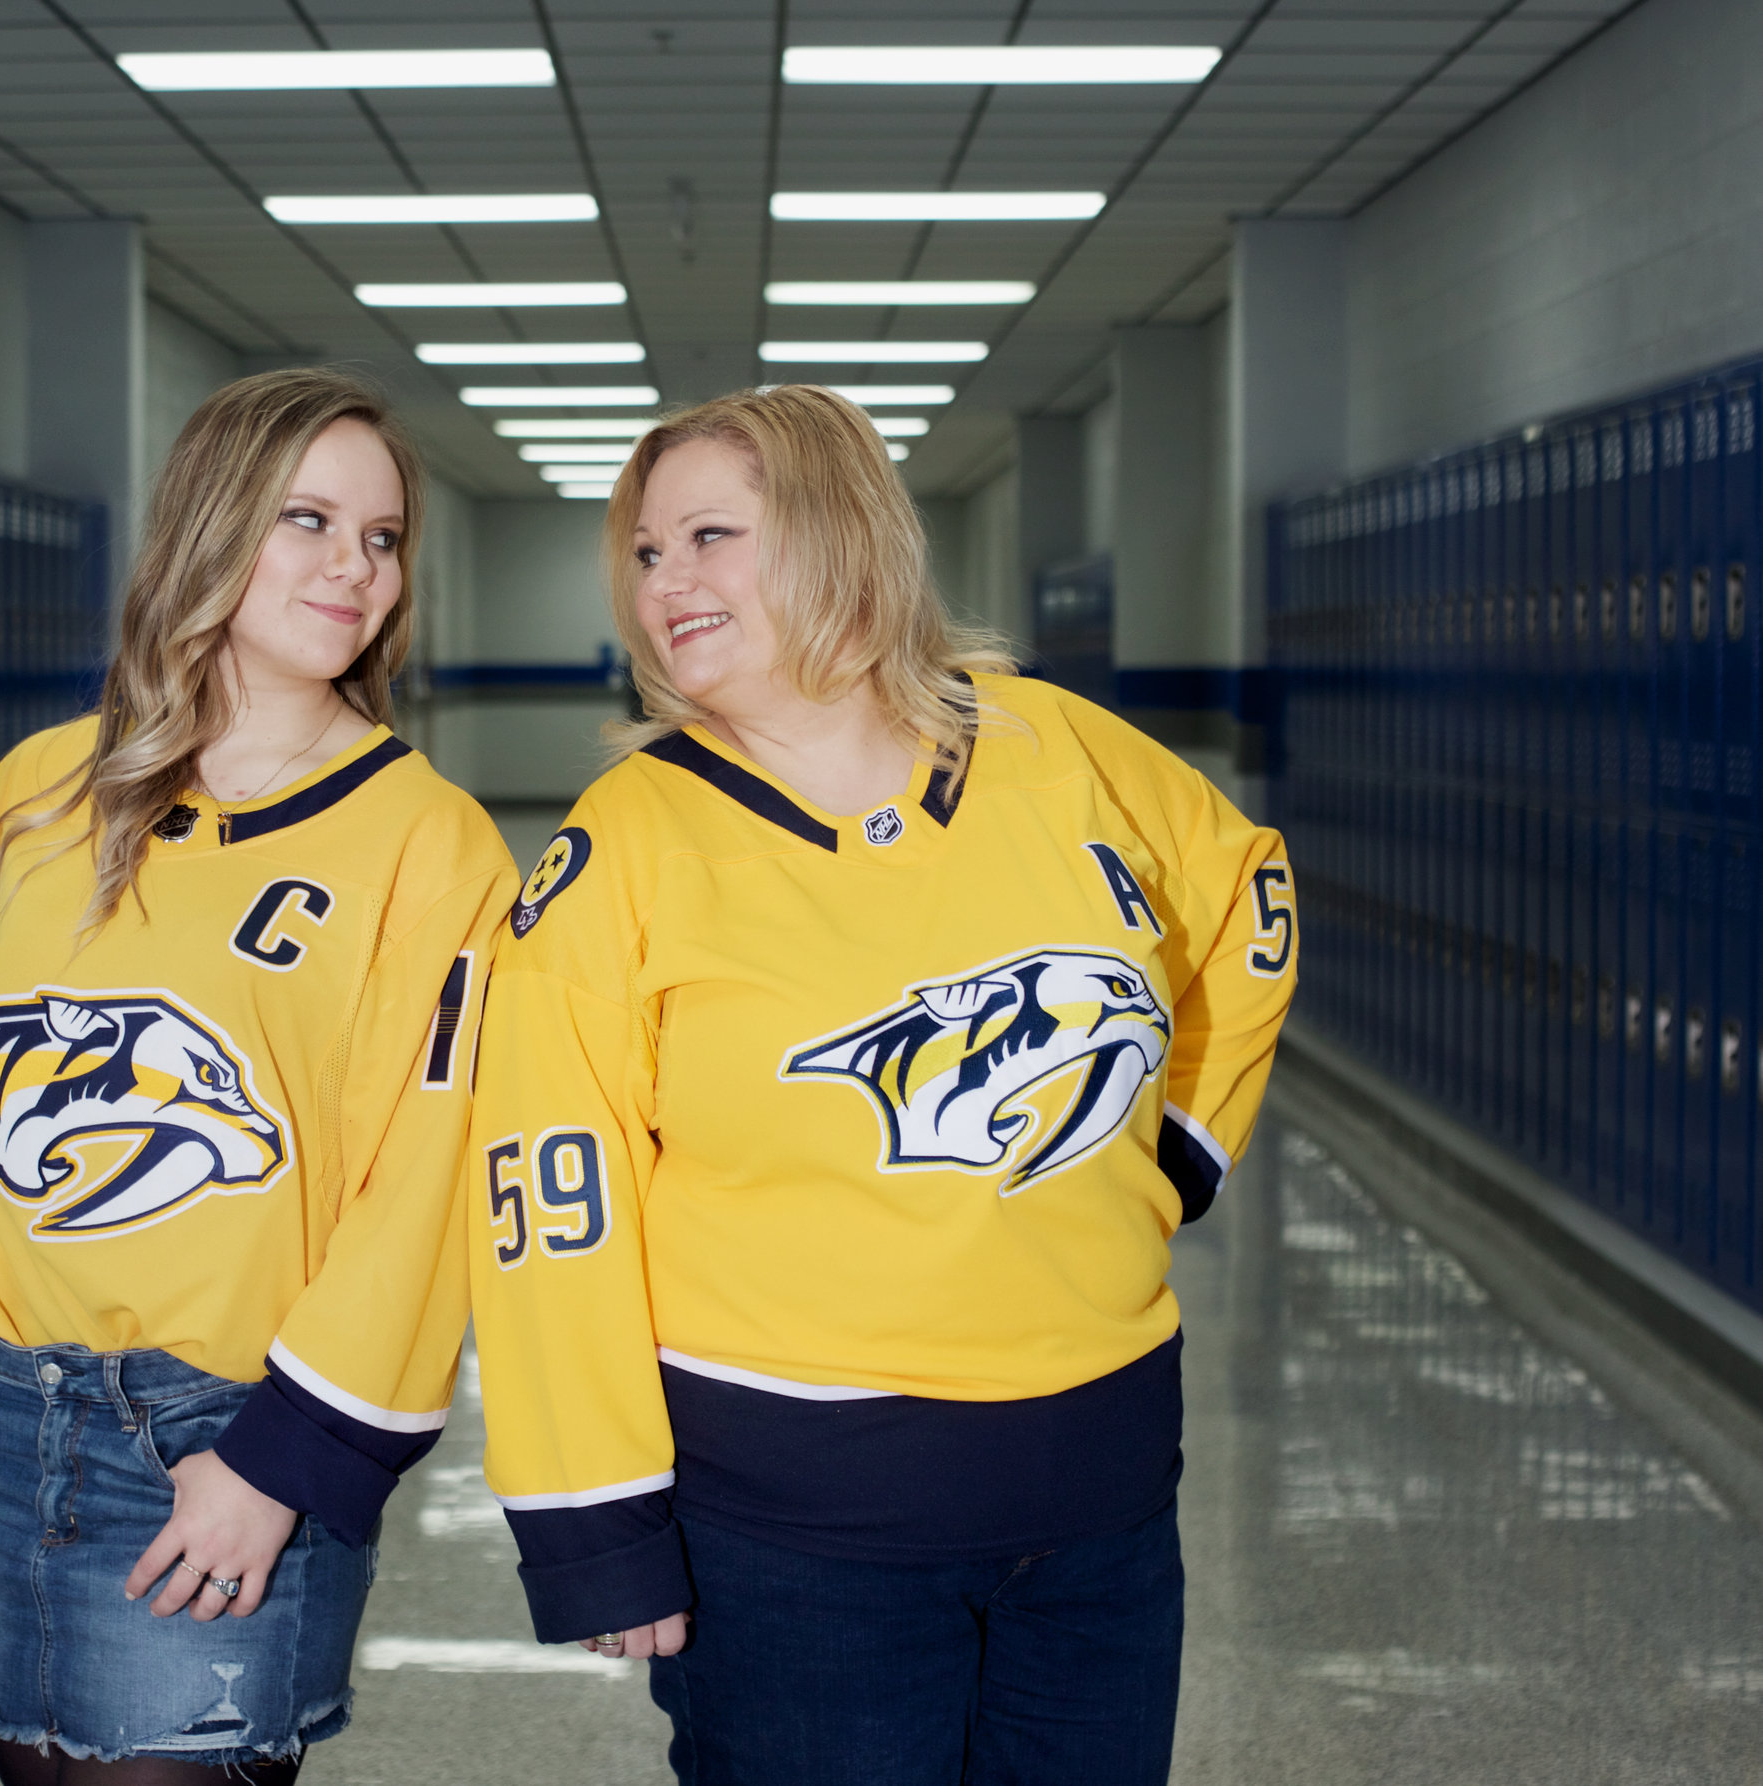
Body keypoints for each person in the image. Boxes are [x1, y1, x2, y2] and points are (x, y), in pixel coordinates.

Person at [466, 384, 1297, 1785]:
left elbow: (1244, 893)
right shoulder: (628, 842)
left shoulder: (1057, 745)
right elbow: (550, 1193)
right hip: (798, 1538)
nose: (668, 580)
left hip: (1098, 1500)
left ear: (841, 531)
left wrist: (1175, 1144)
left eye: (711, 534)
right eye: (649, 551)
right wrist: (592, 1522)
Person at [0, 368, 516, 1784]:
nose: (354, 567)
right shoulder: (37, 793)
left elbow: (422, 1189)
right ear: (209, 524)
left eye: (383, 537)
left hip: (230, 1429)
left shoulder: (428, 843)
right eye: (307, 518)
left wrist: (286, 1459)